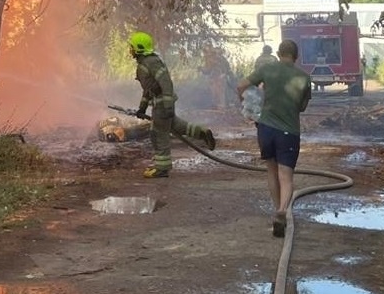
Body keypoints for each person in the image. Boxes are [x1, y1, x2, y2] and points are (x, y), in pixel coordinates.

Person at [236, 38, 312, 238]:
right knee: (285, 175)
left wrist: (247, 106)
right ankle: (282, 212)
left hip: (266, 128)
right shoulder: (304, 78)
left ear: (278, 54)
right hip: (289, 131)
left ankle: (277, 210)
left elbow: (241, 85)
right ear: (296, 57)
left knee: (271, 170)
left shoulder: (267, 69)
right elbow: (302, 107)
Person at [128, 31, 216, 178]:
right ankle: (201, 132)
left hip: (162, 104)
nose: (130, 50)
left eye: (132, 47)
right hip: (162, 103)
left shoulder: (150, 63)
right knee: (174, 125)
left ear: (139, 48)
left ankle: (162, 169)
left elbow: (166, 83)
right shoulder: (148, 63)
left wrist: (167, 105)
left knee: (158, 134)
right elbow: (149, 89)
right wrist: (142, 108)